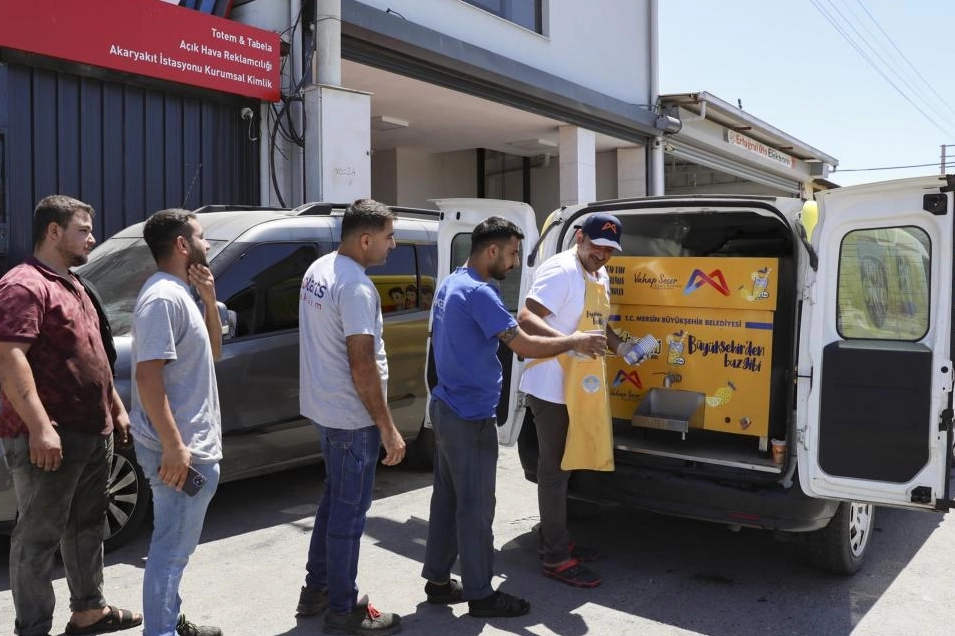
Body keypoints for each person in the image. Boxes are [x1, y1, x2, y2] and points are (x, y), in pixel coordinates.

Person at [421, 216, 606, 618]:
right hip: (469, 416)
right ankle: (481, 595)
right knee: (476, 509)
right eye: (512, 253)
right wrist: (573, 341)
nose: (516, 262)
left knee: (447, 501)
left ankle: (438, 581)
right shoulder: (480, 294)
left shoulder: (452, 282)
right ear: (491, 250)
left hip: (446, 406)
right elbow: (523, 345)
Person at [0, 195, 142, 636]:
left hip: (92, 430)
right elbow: (10, 357)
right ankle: (33, 627)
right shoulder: (24, 285)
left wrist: (115, 407)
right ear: (53, 231)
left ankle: (88, 611)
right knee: (37, 536)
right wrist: (40, 427)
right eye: (83, 230)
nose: (92, 239)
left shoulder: (74, 283)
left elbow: (94, 351)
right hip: (50, 435)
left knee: (87, 525)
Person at [296, 199, 405, 636]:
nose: (393, 245)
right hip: (351, 418)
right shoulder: (356, 287)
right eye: (388, 237)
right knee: (349, 515)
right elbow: (362, 364)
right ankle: (343, 610)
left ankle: (317, 590)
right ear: (365, 239)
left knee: (334, 501)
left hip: (326, 410)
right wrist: (387, 427)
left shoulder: (320, 268)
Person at [517, 212, 643, 589]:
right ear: (579, 238)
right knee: (555, 471)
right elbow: (526, 318)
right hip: (551, 385)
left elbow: (596, 323)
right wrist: (570, 342)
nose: (602, 254)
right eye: (596, 246)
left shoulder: (599, 275)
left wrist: (623, 348)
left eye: (609, 249)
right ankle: (555, 557)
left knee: (569, 465)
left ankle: (556, 537)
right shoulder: (561, 270)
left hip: (580, 384)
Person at [129, 208, 224, 636]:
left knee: (173, 549)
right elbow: (147, 376)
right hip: (179, 452)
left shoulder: (181, 294)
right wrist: (174, 446)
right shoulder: (163, 299)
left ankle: (171, 621)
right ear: (183, 245)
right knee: (170, 551)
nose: (208, 244)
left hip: (187, 448)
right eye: (202, 237)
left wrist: (209, 298)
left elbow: (214, 352)